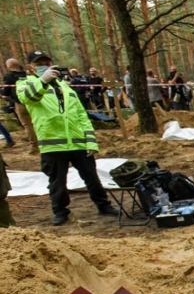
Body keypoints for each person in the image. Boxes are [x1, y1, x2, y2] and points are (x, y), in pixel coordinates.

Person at [16, 50, 118, 225]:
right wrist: (43, 80)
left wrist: (91, 140)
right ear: (30, 67)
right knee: (57, 183)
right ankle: (61, 212)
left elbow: (81, 115)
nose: (44, 67)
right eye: (39, 64)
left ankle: (103, 205)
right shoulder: (26, 84)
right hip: (52, 144)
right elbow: (28, 98)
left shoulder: (65, 87)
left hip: (77, 142)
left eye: (47, 63)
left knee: (92, 178)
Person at [3, 58, 36, 147]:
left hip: (20, 102)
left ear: (9, 67)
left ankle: (34, 145)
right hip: (33, 101)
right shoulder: (27, 74)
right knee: (36, 122)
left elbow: (6, 92)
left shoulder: (9, 77)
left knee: (28, 125)